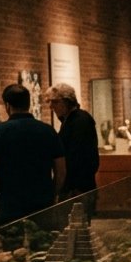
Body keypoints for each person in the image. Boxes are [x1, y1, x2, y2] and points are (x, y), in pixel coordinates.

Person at [0, 82, 65, 225]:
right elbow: (61, 169)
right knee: (43, 242)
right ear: (28, 104)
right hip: (42, 202)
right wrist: (53, 194)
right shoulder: (48, 131)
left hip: (10, 203)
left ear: (7, 105)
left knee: (12, 244)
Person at [43, 82, 99, 212]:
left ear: (67, 101)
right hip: (75, 186)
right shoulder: (72, 120)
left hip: (77, 188)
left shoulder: (79, 121)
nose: (51, 106)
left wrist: (74, 187)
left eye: (55, 102)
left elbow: (80, 157)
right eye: (49, 102)